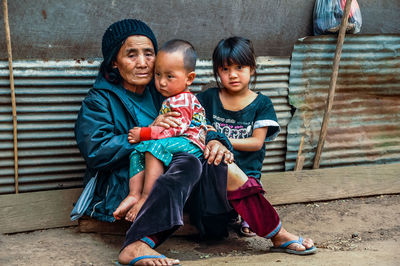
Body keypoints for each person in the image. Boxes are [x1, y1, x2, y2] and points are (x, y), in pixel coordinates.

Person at [74, 19, 315, 266]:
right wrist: (150, 132)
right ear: (115, 61)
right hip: (129, 181)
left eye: (148, 53)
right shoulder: (99, 101)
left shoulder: (164, 88)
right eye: (131, 55)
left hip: (176, 173)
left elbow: (199, 123)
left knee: (220, 162)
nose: (143, 62)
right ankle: (137, 245)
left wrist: (216, 141)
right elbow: (96, 150)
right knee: (187, 166)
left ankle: (276, 232)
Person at [197, 36, 317, 254]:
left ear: (252, 68)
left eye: (239, 67)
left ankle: (268, 228)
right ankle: (235, 215)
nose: (232, 74)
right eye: (225, 69)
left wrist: (220, 140)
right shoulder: (208, 98)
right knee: (213, 234)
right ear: (217, 72)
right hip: (212, 175)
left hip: (246, 175)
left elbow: (256, 143)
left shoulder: (262, 103)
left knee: (242, 189)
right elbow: (197, 129)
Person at [112, 39, 208, 222]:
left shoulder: (183, 100)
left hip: (191, 142)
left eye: (169, 76)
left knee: (153, 148)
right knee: (138, 151)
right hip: (176, 142)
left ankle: (147, 197)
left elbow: (176, 129)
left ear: (189, 78)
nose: (162, 82)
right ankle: (134, 193)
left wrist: (146, 133)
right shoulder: (170, 97)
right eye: (157, 75)